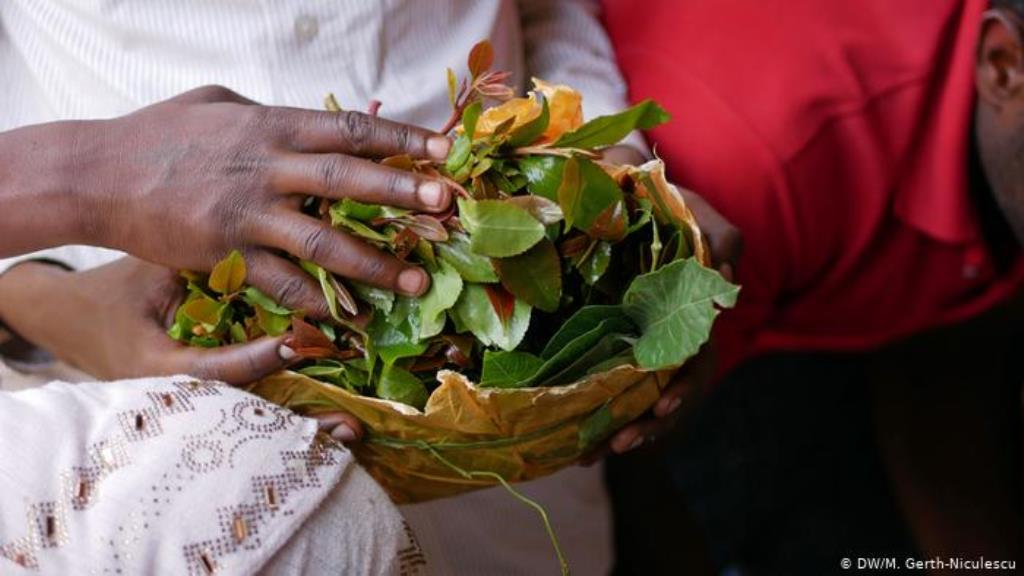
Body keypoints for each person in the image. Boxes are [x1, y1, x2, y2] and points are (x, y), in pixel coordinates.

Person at [0, 1, 735, 573]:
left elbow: (547, 15)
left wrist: (621, 200)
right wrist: (43, 292)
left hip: (527, 392)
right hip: (145, 374)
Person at [603, 0, 1024, 573]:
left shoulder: (1004, 168)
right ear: (1004, 65)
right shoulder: (760, 172)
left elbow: (946, 387)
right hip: (704, 328)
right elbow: (627, 456)